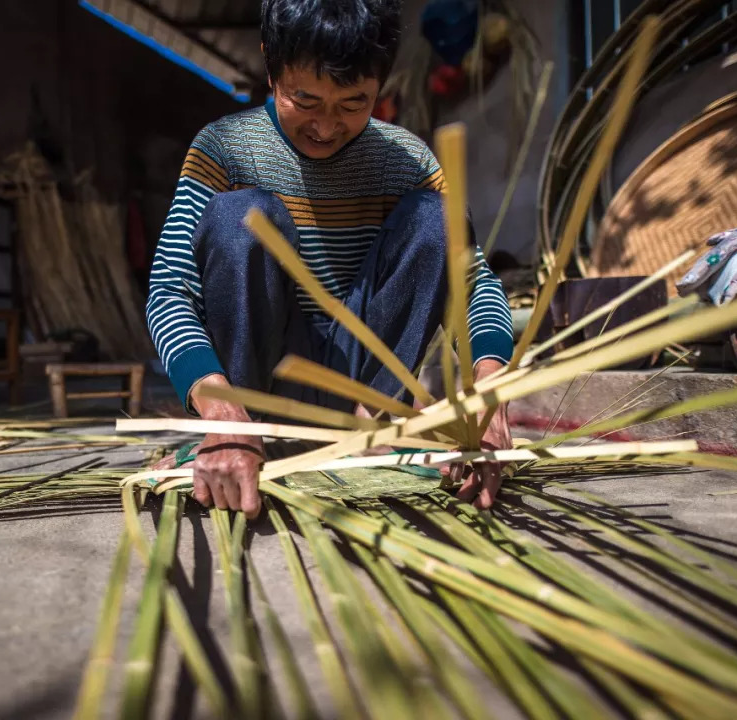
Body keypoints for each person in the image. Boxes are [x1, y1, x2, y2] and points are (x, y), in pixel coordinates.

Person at [146, 0, 514, 519]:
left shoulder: (407, 160)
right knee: (241, 217)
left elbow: (473, 285)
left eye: (352, 103)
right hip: (258, 387)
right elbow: (170, 292)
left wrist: (491, 384)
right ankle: (242, 433)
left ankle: (372, 427)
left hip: (366, 385)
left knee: (440, 217)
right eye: (306, 99)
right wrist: (220, 408)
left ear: (379, 86)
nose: (325, 125)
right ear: (270, 65)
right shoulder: (223, 148)